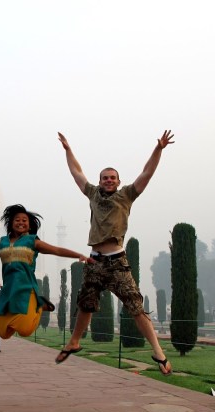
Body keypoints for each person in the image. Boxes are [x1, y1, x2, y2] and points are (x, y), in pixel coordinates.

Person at [55, 130, 174, 375]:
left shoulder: (127, 195)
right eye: (105, 178)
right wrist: (68, 150)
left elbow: (147, 173)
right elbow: (77, 172)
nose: (108, 181)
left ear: (118, 181)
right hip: (95, 261)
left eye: (112, 178)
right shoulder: (93, 194)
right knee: (86, 303)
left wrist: (158, 149)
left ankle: (158, 352)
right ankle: (74, 341)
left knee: (136, 306)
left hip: (117, 261)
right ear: (100, 181)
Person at [0, 204, 92, 340]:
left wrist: (78, 255)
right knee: (3, 333)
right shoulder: (2, 242)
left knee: (25, 330)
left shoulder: (32, 241)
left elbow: (56, 250)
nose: (21, 222)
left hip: (26, 288)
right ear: (11, 223)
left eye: (24, 220)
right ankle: (35, 307)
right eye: (17, 220)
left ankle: (39, 306)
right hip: (8, 290)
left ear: (29, 226)